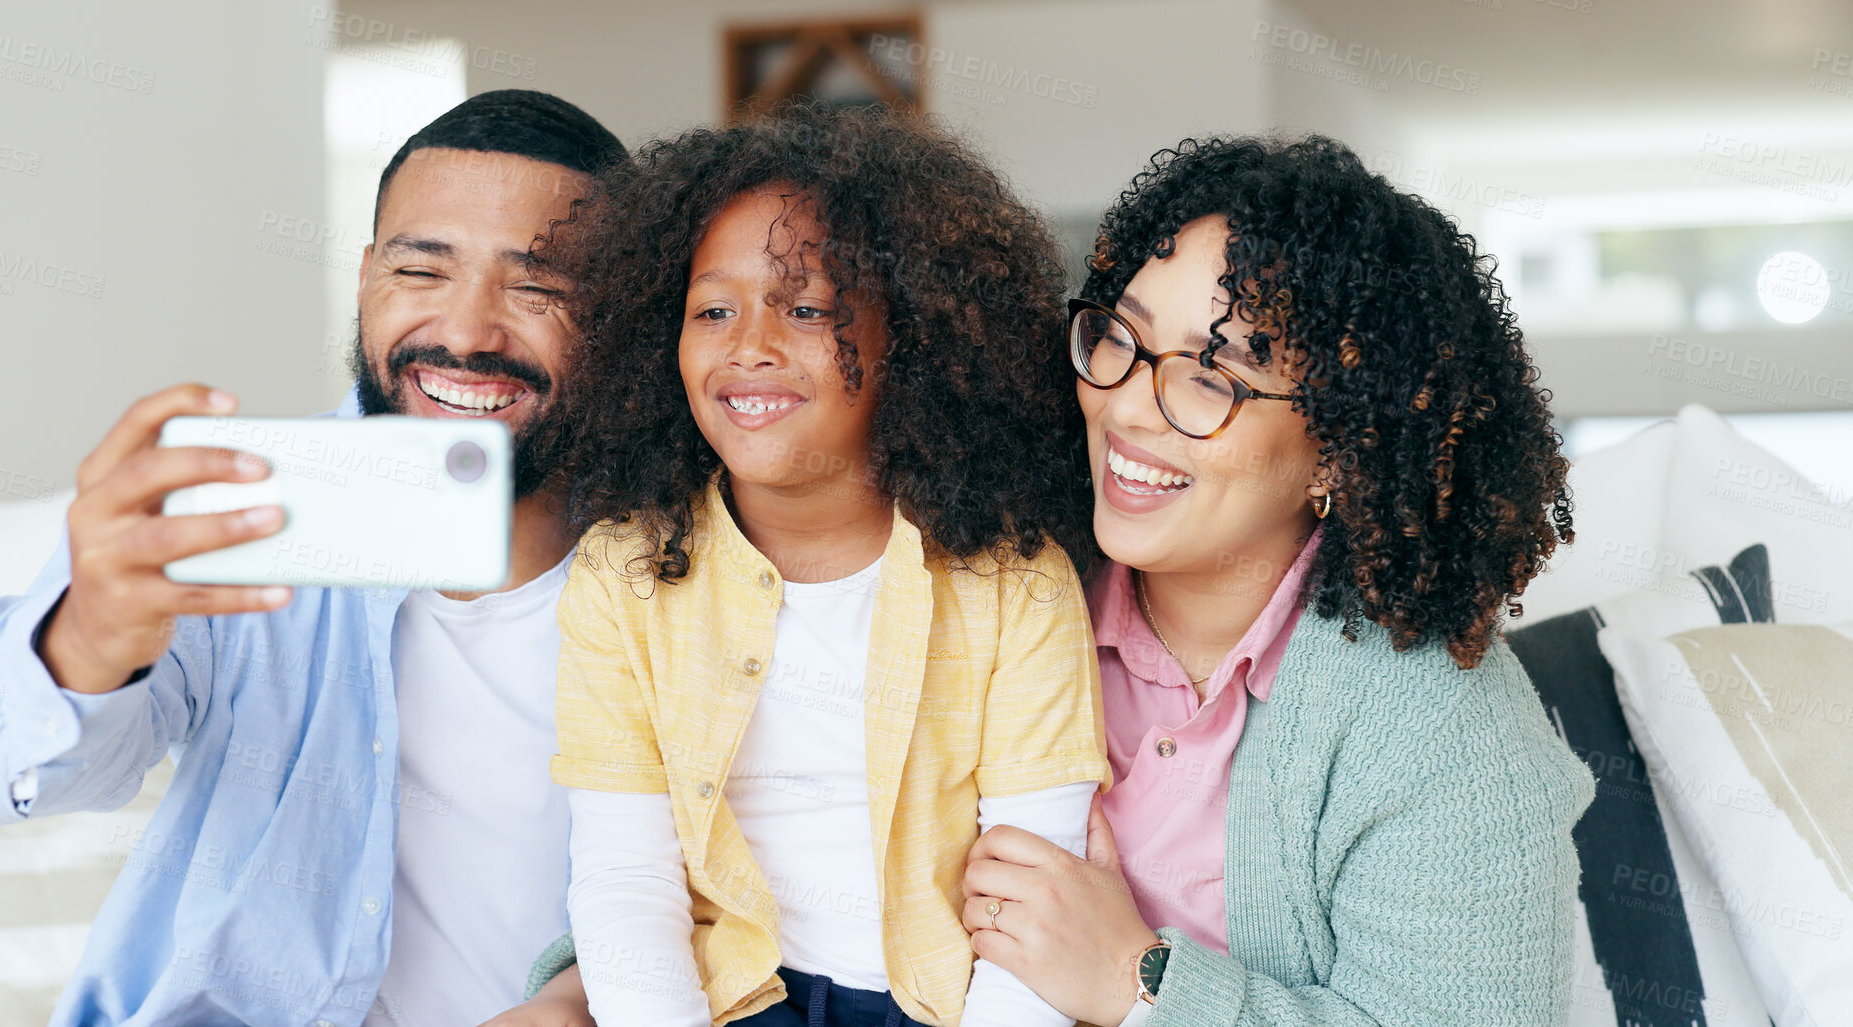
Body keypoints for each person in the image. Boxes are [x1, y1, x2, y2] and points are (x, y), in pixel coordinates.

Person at [0, 90, 620, 1027]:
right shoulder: (248, 505)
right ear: (369, 276)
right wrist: (88, 641)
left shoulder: (699, 567)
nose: (465, 332)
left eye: (540, 287)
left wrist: (586, 997)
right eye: (421, 270)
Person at [958, 136, 1595, 1026]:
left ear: (1336, 445)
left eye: (1212, 375)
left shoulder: (1446, 729)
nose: (1130, 406)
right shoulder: (986, 597)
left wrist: (1133, 978)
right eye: (1121, 337)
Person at [521, 105, 1108, 1027]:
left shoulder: (1016, 581)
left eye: (805, 310)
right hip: (722, 1000)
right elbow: (626, 875)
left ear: (908, 341)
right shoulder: (621, 572)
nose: (748, 345)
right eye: (712, 309)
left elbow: (1032, 898)